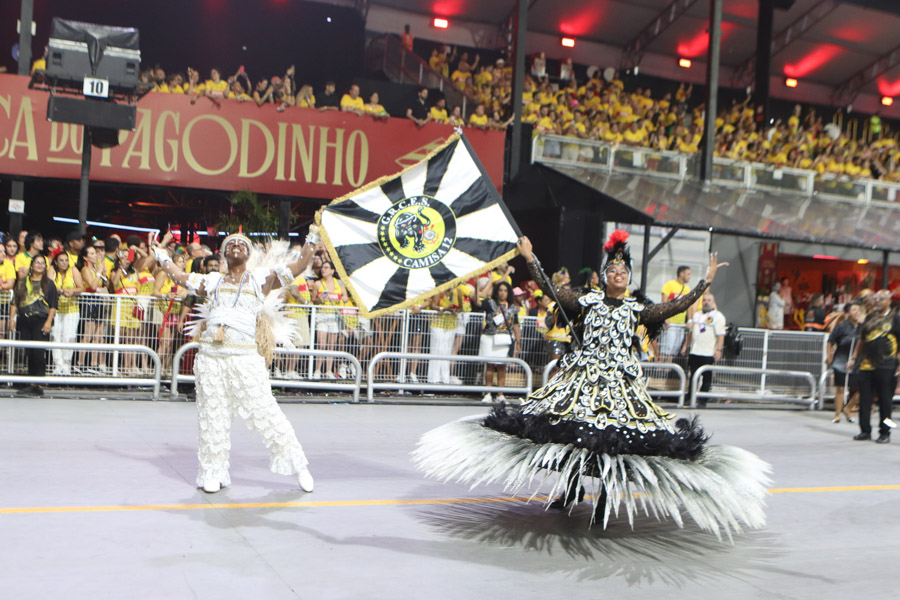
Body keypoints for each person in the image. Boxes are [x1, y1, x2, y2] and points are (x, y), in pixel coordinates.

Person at [414, 232, 770, 538]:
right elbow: (550, 290)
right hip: (581, 380)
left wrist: (705, 281)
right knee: (573, 435)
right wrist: (529, 257)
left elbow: (677, 305)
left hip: (620, 386)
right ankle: (570, 491)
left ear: (629, 277)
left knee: (612, 443)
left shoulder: (637, 309)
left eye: (624, 270)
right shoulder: (586, 300)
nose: (619, 273)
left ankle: (603, 501)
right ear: (604, 275)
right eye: (613, 270)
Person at [150, 230, 315, 494]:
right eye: (231, 244)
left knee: (266, 413)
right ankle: (213, 471)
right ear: (224, 254)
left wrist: (312, 239)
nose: (236, 246)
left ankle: (299, 466)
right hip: (211, 360)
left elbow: (300, 266)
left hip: (245, 359)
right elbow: (178, 276)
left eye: (242, 244)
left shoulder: (261, 279)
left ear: (249, 255)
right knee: (212, 416)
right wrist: (160, 255)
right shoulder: (211, 281)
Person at [849, 289, 900, 444]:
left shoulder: (895, 319)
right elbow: (862, 339)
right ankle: (865, 431)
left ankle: (885, 432)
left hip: (887, 366)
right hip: (866, 366)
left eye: (881, 299)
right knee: (864, 399)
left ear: (889, 301)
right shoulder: (870, 318)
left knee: (885, 401)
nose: (877, 301)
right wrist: (854, 358)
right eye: (876, 298)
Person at [9, 255, 58, 396]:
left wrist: (48, 322)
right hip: (25, 320)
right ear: (32, 264)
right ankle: (32, 383)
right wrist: (12, 319)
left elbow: (53, 305)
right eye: (37, 262)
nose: (40, 265)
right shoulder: (23, 282)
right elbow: (15, 302)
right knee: (29, 351)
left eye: (43, 263)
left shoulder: (49, 284)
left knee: (38, 351)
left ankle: (37, 383)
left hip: (41, 320)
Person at [474, 280, 520, 403]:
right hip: (490, 337)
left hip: (504, 339)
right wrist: (477, 285)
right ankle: (488, 393)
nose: (502, 293)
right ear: (496, 291)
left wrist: (518, 341)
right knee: (489, 366)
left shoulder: (512, 307)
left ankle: (500, 394)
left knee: (502, 367)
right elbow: (477, 302)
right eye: (500, 290)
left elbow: (516, 325)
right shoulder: (490, 303)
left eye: (505, 291)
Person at [681, 292, 726, 408]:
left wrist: (719, 350)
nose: (706, 302)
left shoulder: (718, 316)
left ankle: (702, 400)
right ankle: (690, 398)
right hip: (695, 351)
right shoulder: (696, 315)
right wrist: (686, 345)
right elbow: (691, 332)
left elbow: (721, 335)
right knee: (693, 376)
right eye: (704, 300)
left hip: (708, 353)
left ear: (713, 302)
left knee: (706, 378)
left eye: (709, 300)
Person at [312, 260, 348, 379]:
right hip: (322, 315)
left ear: (332, 271)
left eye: (327, 268)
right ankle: (317, 370)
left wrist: (339, 298)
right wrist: (320, 299)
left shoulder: (339, 283)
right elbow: (313, 300)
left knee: (331, 346)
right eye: (323, 268)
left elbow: (345, 297)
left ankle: (329, 370)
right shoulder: (317, 284)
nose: (324, 270)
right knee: (321, 344)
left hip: (334, 317)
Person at [50, 252, 84, 376]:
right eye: (61, 260)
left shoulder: (73, 270)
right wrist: (57, 291)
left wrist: (72, 291)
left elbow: (81, 288)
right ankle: (58, 364)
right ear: (56, 262)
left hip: (71, 309)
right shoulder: (52, 271)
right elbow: (48, 286)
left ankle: (66, 365)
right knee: (55, 336)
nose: (64, 263)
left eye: (66, 260)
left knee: (69, 337)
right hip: (55, 309)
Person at [828, 302, 861, 424]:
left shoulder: (862, 327)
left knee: (862, 388)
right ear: (847, 313)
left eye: (859, 310)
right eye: (854, 310)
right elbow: (830, 340)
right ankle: (837, 414)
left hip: (856, 361)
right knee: (840, 388)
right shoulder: (841, 326)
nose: (857, 312)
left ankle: (848, 408)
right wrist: (828, 357)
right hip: (841, 360)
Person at [658, 265, 694, 361]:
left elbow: (689, 306)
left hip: (681, 324)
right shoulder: (669, 285)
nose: (690, 276)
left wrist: (690, 320)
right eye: (688, 274)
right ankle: (660, 369)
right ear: (681, 274)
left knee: (674, 350)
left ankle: (667, 370)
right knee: (666, 349)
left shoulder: (687, 288)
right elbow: (664, 302)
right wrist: (665, 318)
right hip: (671, 323)